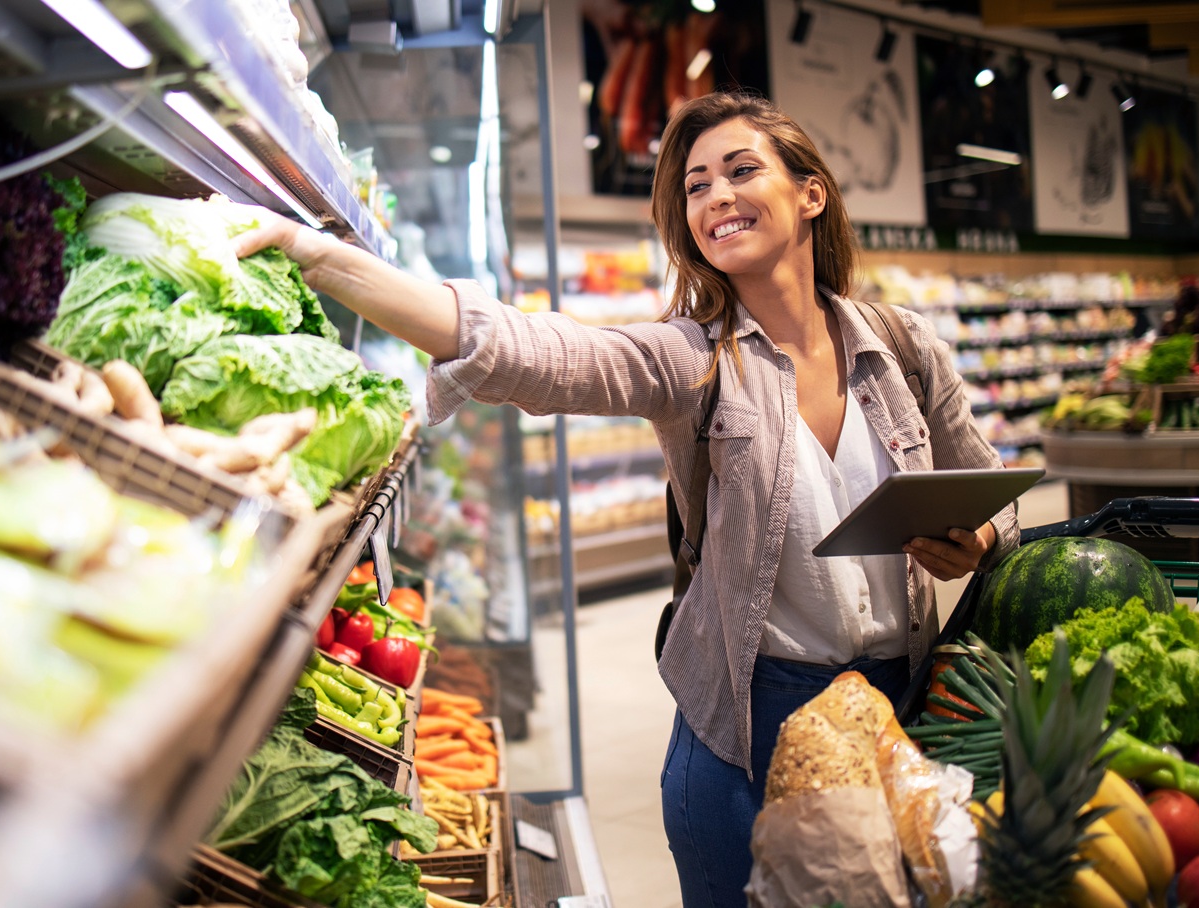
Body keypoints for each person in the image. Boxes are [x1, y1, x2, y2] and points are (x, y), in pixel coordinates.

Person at [235, 91, 1021, 908]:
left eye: (741, 171)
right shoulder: (695, 360)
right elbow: (537, 351)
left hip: (900, 711)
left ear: (810, 193)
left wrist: (982, 543)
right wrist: (315, 255)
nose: (715, 196)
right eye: (695, 185)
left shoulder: (903, 350)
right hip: (746, 729)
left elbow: (996, 497)